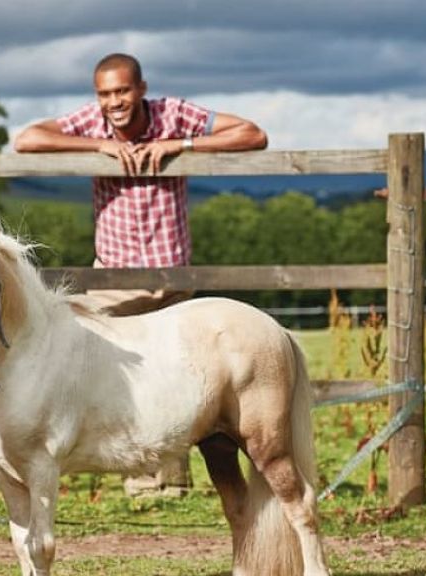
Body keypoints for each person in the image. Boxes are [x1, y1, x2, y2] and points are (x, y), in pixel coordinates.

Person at [14, 53, 268, 496]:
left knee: (184, 372)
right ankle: (135, 477)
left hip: (172, 273)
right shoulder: (92, 123)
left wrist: (180, 145)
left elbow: (253, 134)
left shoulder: (172, 114)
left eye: (123, 91)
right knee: (111, 369)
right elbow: (27, 139)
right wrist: (97, 147)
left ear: (142, 89)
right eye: (105, 93)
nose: (114, 102)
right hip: (115, 279)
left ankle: (173, 480)